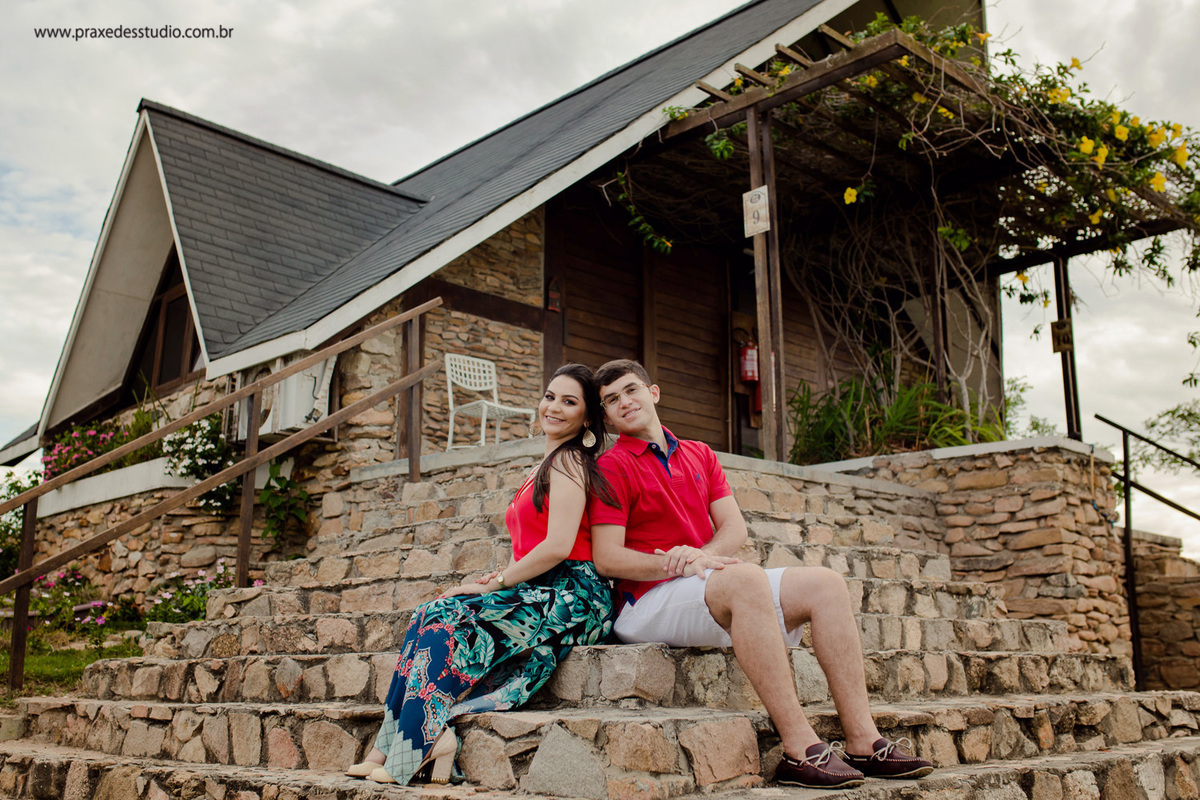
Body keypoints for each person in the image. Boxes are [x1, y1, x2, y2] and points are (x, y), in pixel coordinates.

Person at [588, 359, 933, 790]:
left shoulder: (699, 452)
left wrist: (704, 556)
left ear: (653, 392)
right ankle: (799, 750)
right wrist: (675, 562)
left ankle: (864, 741)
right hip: (646, 601)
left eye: (631, 390)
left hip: (702, 582)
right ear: (605, 414)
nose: (625, 402)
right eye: (611, 400)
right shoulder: (611, 466)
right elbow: (606, 558)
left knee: (824, 585)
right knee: (747, 578)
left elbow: (733, 529)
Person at [345, 363, 617, 786]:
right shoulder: (543, 465)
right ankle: (389, 747)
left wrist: (499, 582)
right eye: (550, 396)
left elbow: (559, 546)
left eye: (569, 402)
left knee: (445, 620)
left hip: (575, 594)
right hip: (542, 584)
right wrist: (495, 579)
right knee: (428, 614)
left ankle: (415, 746)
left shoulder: (569, 462)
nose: (555, 407)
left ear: (586, 417)